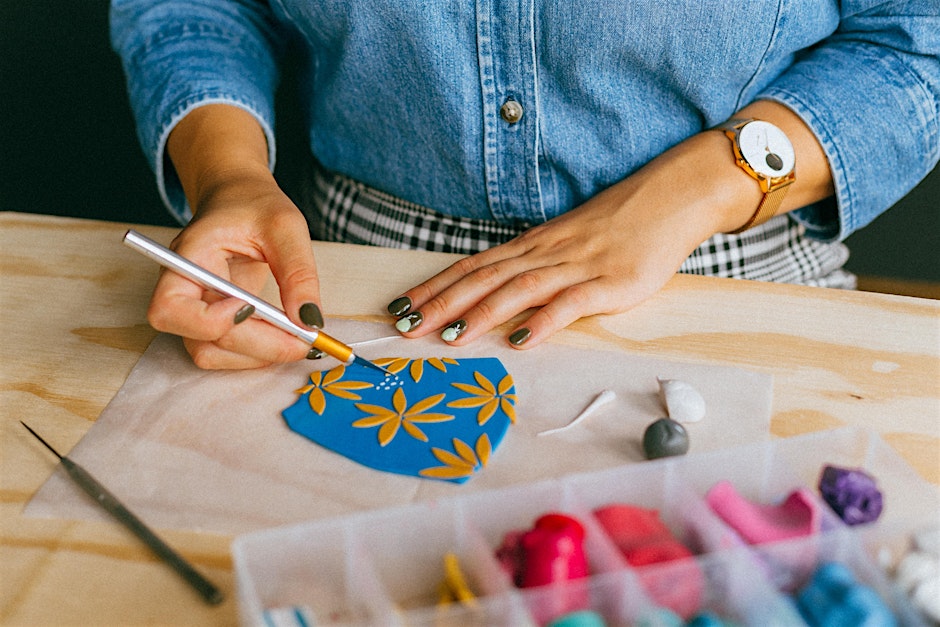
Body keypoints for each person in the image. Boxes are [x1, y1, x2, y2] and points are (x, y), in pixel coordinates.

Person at [110, 1, 939, 370]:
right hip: (350, 281)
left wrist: (691, 191)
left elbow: (919, 37)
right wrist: (229, 177)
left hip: (728, 277)